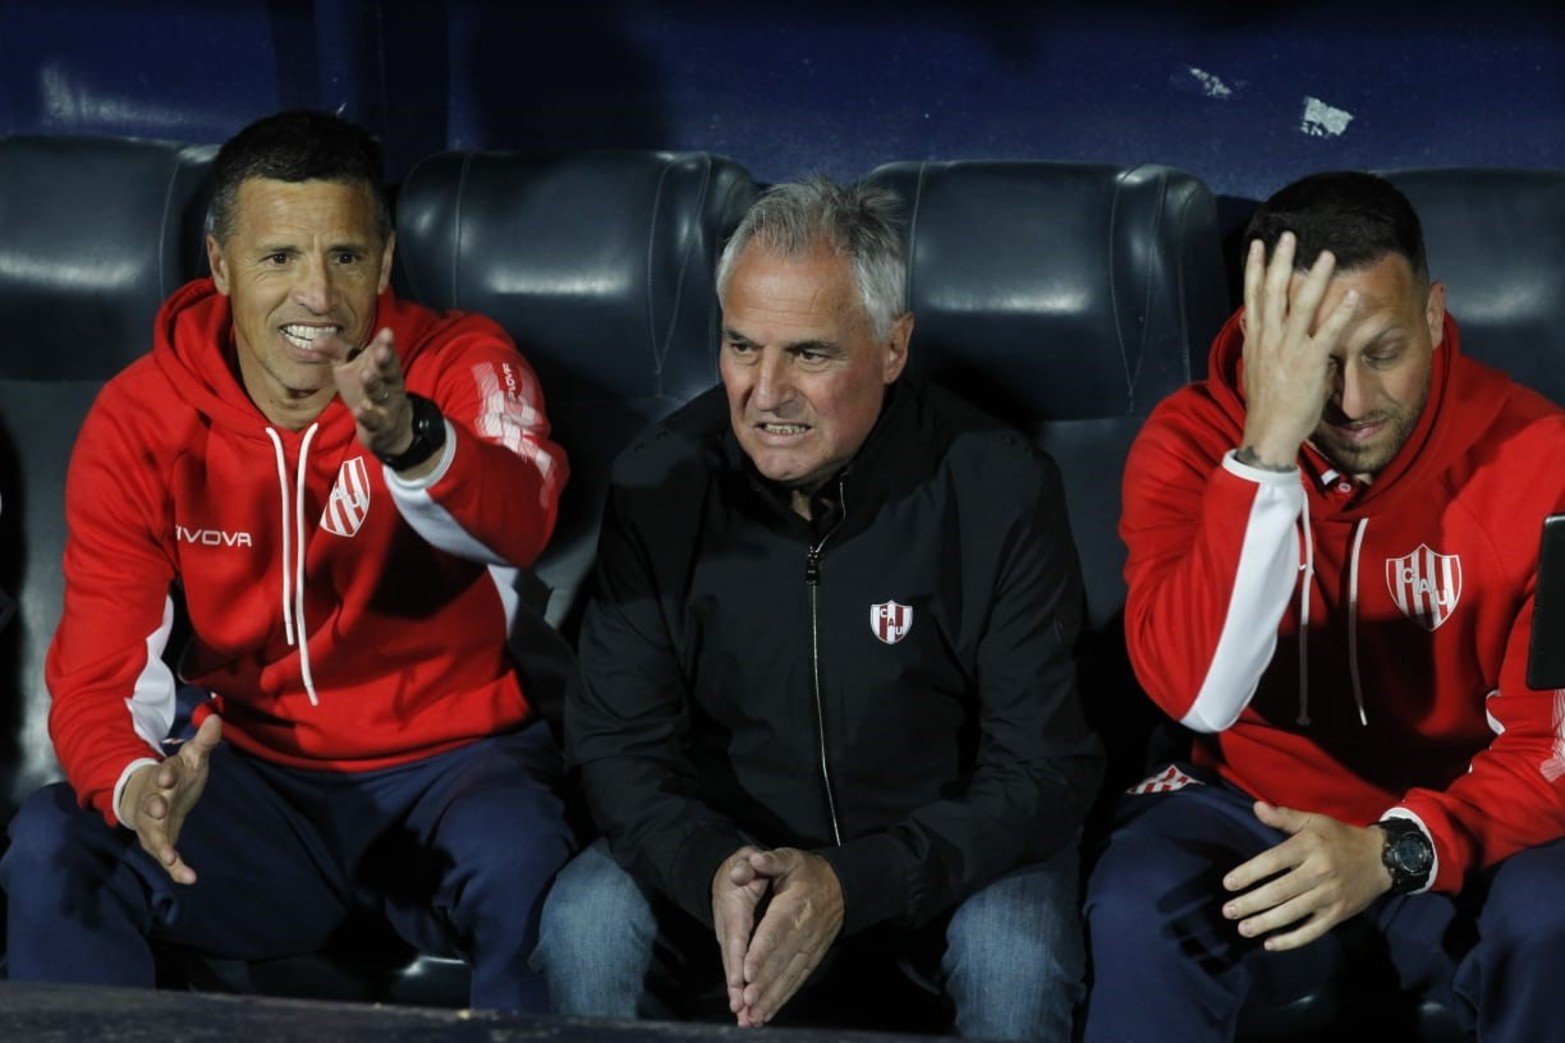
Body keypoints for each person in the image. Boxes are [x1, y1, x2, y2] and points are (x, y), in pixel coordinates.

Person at [0, 110, 575, 1012]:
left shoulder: (459, 360)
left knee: (538, 879)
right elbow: (100, 672)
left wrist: (416, 442)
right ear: (220, 264)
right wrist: (134, 782)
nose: (318, 295)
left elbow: (525, 507)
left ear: (384, 262)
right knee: (55, 846)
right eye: (278, 259)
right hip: (254, 782)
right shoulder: (140, 414)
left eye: (345, 256)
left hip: (456, 772)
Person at [532, 177, 1102, 1040]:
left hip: (948, 860)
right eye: (740, 346)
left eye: (808, 353)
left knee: (1013, 960)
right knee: (586, 923)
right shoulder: (661, 481)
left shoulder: (998, 485)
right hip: (732, 854)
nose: (764, 393)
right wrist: (708, 865)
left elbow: (1042, 768)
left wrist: (855, 881)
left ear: (892, 346)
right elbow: (615, 742)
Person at [1085, 172, 1565, 1041]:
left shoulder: (1543, 460)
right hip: (1248, 807)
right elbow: (1199, 697)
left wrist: (1395, 848)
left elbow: (1555, 745)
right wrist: (1264, 450)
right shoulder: (1189, 446)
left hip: (1456, 811)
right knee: (1135, 903)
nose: (1349, 403)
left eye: (1381, 351)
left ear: (1430, 315)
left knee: (1556, 913)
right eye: (1316, 362)